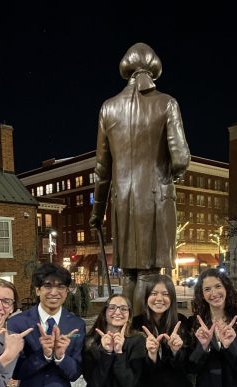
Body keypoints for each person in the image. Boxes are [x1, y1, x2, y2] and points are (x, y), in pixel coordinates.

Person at [89, 42, 190, 315]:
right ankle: (145, 334)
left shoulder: (108, 109)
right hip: (155, 199)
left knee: (129, 274)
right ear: (154, 70)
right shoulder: (167, 104)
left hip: (122, 202)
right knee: (149, 272)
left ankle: (127, 331)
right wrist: (172, 175)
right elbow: (181, 157)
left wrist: (97, 212)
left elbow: (102, 169)